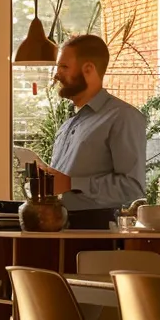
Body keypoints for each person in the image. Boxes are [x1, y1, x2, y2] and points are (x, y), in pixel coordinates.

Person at [40, 35, 147, 230]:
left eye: (64, 67)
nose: (56, 75)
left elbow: (133, 188)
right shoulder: (69, 124)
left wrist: (72, 183)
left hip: (97, 233)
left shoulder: (122, 117)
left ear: (88, 69)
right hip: (61, 229)